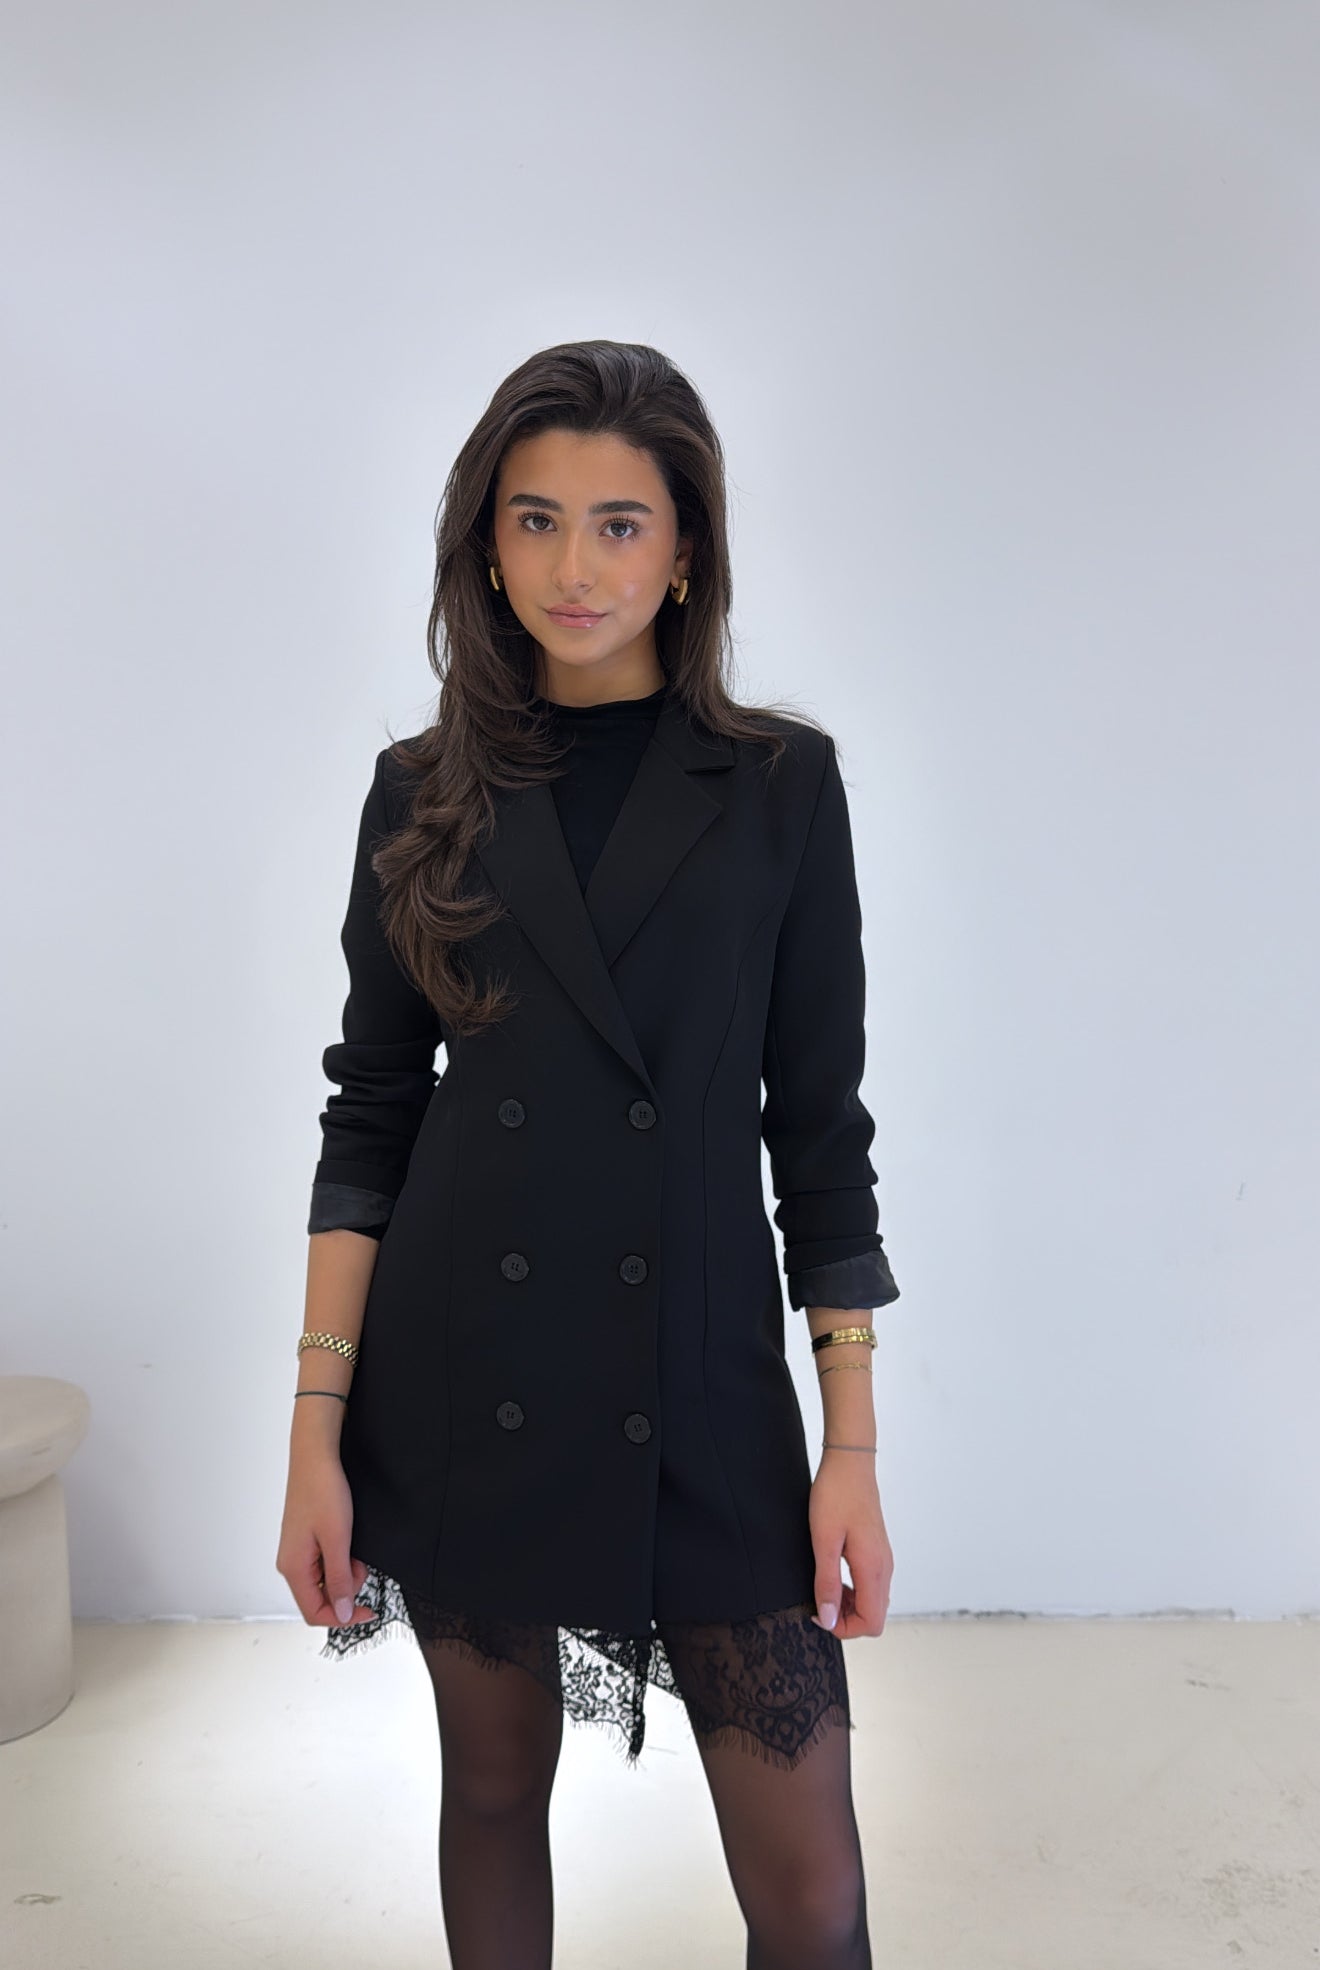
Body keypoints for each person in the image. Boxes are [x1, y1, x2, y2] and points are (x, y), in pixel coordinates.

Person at [277, 339, 902, 1968]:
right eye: (537, 519)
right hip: (462, 1377)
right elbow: (370, 1113)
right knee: (491, 1789)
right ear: (487, 544)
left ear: (686, 549)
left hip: (701, 1383)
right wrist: (313, 1432)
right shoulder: (421, 792)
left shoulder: (780, 786)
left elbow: (820, 1136)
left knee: (814, 1893)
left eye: (621, 524)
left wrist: (849, 1445)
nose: (577, 566)